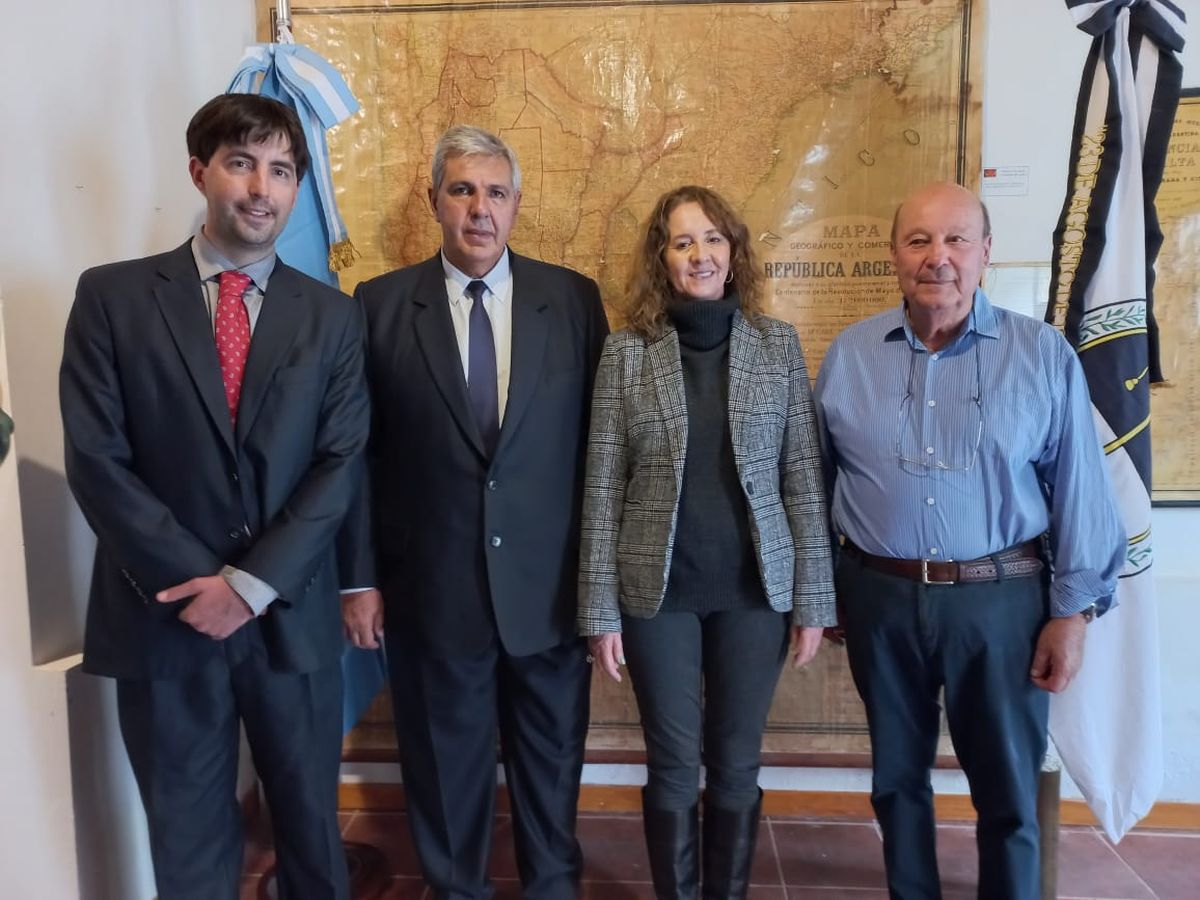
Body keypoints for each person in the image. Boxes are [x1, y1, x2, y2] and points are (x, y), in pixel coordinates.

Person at [59, 93, 369, 900]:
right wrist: (202, 584)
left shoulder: (333, 319)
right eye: (242, 164)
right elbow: (97, 459)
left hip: (289, 619)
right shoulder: (112, 299)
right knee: (189, 850)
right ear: (200, 172)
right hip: (164, 617)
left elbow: (339, 463)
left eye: (282, 171)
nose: (262, 189)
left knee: (313, 843)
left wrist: (250, 585)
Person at [814, 182, 1125, 900]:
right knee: (896, 781)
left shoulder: (1041, 355)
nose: (939, 257)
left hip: (1002, 603)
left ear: (986, 252)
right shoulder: (850, 355)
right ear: (894, 255)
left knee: (1008, 791)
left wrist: (1073, 614)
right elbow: (816, 481)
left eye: (956, 239)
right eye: (919, 240)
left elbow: (1081, 491)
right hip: (879, 598)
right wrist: (825, 586)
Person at [339, 124, 609, 900]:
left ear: (517, 204)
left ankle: (552, 889)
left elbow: (601, 453)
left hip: (549, 594)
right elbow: (357, 457)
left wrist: (600, 591)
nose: (479, 209)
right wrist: (358, 579)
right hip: (432, 592)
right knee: (443, 771)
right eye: (462, 190)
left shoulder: (573, 300)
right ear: (435, 201)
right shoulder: (380, 306)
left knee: (551, 770)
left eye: (495, 192)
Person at [578, 185, 837, 900]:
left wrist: (814, 603)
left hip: (755, 593)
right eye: (684, 241)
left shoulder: (776, 346)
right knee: (671, 765)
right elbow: (602, 485)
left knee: (735, 764)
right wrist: (599, 611)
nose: (701, 255)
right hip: (655, 595)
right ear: (662, 258)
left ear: (734, 250)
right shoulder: (627, 353)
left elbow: (802, 479)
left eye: (714, 238)